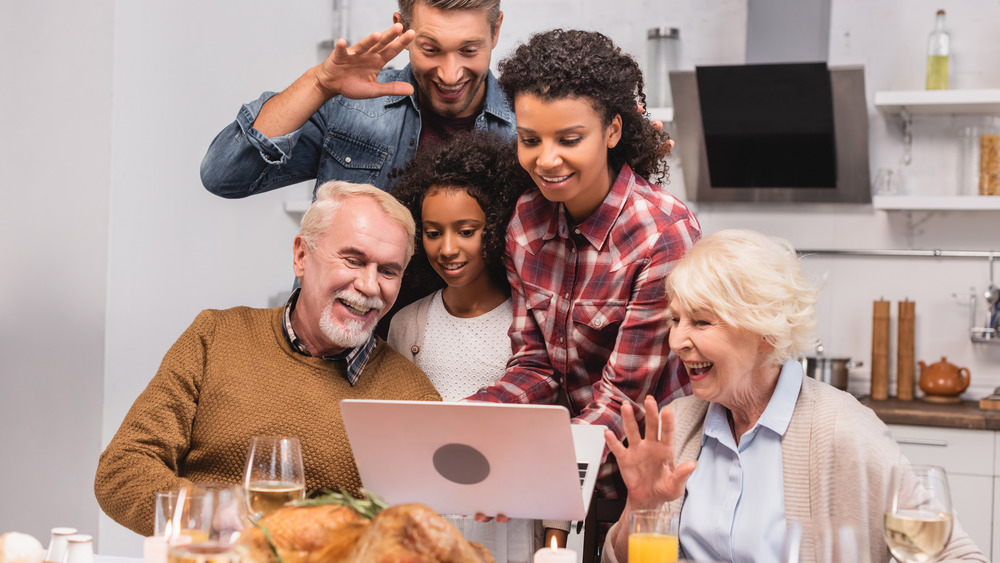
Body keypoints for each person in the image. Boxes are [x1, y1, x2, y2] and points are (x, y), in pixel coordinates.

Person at [601, 229, 988, 563]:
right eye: (675, 319)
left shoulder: (840, 428)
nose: (677, 341)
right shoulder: (682, 421)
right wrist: (641, 508)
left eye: (701, 321)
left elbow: (958, 555)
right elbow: (616, 558)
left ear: (765, 331)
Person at [94, 181, 441, 536]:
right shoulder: (215, 335)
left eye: (388, 271)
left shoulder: (411, 394)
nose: (370, 286)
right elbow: (122, 469)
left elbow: (420, 526)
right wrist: (215, 518)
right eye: (353, 260)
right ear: (302, 256)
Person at [465, 29, 701, 501]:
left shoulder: (662, 234)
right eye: (530, 139)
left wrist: (524, 472)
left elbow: (625, 399)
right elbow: (535, 366)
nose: (546, 159)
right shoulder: (525, 224)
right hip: (566, 474)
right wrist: (470, 422)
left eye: (569, 139)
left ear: (612, 130)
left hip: (654, 488)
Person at [387, 131, 547, 560]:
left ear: (495, 228)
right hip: (427, 524)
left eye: (467, 231)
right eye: (434, 233)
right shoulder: (406, 325)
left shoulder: (531, 324)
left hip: (508, 521)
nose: (448, 248)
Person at [200, 0, 514, 198]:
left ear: (496, 29)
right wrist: (319, 84)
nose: (449, 73)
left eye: (469, 50)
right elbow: (224, 176)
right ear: (401, 28)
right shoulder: (351, 106)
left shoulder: (528, 130)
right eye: (431, 50)